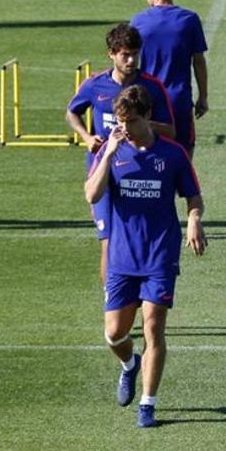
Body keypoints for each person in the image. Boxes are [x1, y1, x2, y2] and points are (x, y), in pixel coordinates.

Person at [85, 85, 206, 428]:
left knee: (153, 327)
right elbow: (92, 195)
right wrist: (108, 154)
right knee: (113, 335)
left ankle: (147, 405)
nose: (124, 128)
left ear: (148, 118)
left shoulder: (173, 154)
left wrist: (194, 220)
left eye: (132, 121)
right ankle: (128, 365)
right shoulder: (113, 149)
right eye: (120, 121)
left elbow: (194, 199)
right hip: (122, 258)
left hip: (159, 255)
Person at [66, 23, 177, 285]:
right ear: (111, 54)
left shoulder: (151, 87)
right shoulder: (95, 85)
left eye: (135, 54)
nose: (131, 60)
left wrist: (139, 125)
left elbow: (171, 130)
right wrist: (86, 136)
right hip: (103, 171)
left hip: (139, 171)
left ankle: (140, 298)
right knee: (107, 241)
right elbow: (72, 112)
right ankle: (111, 305)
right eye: (125, 54)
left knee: (136, 239)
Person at [130, 0, 208, 157]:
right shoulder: (189, 20)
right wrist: (203, 97)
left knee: (148, 152)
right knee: (183, 152)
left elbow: (129, 62)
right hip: (178, 98)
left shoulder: (138, 21)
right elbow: (198, 61)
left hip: (148, 99)